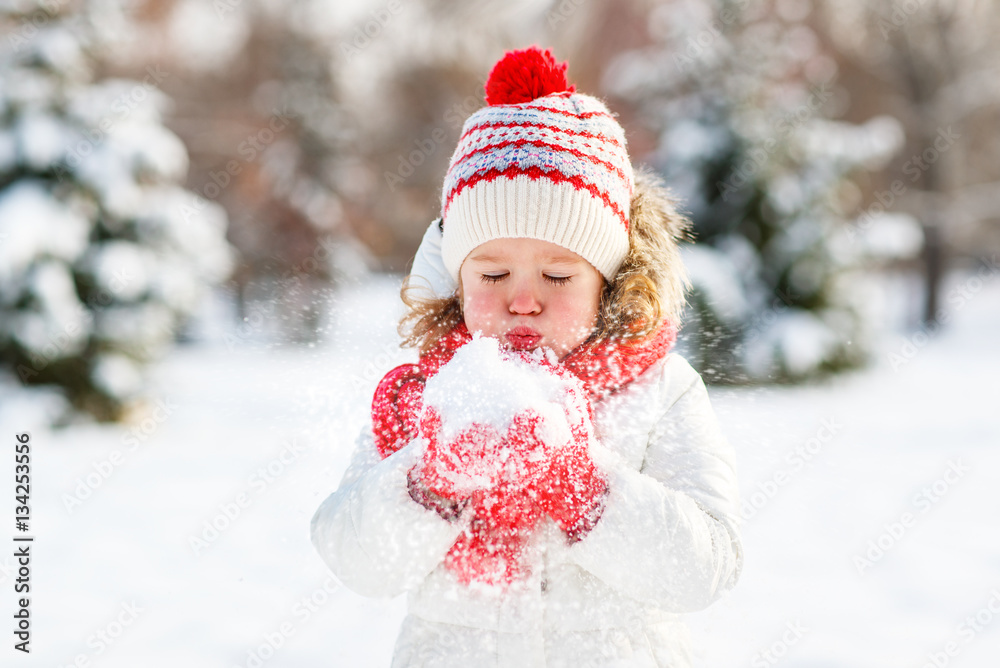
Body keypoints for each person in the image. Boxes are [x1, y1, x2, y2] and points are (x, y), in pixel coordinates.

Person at [311, 46, 742, 667]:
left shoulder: (659, 389)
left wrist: (587, 491)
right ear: (458, 282)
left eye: (558, 277)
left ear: (610, 281)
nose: (522, 301)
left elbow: (708, 567)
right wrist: (431, 482)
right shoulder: (434, 393)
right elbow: (357, 560)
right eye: (492, 275)